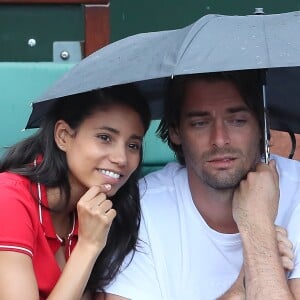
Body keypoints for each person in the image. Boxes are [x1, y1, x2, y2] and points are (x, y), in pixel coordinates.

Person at [96, 71, 300, 299]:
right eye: (200, 123)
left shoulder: (298, 192)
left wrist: (257, 225)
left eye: (237, 121)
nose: (220, 139)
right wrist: (256, 253)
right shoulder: (142, 204)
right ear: (175, 131)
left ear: (262, 124)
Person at [0, 83, 151, 299]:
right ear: (63, 136)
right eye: (105, 137)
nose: (121, 158)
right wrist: (88, 246)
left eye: (133, 145)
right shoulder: (8, 199)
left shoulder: (98, 212)